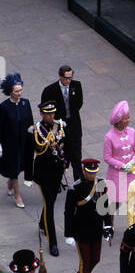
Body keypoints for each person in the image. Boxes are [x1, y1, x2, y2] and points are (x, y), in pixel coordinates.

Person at [64, 158, 114, 273]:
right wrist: (69, 234)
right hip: (81, 231)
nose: (93, 176)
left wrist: (108, 226)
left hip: (96, 229)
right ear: (84, 171)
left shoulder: (101, 184)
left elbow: (105, 206)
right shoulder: (75, 188)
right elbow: (69, 213)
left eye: (95, 173)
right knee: (85, 263)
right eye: (89, 172)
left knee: (96, 259)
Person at [27, 101, 66, 257]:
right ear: (42, 114)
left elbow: (65, 146)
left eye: (53, 113)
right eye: (48, 114)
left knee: (51, 201)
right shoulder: (34, 131)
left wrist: (66, 161)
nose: (52, 116)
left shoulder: (61, 127)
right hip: (43, 174)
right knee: (49, 206)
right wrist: (28, 176)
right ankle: (53, 243)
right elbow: (28, 155)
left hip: (57, 172)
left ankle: (42, 223)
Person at [41, 65, 83, 181]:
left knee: (76, 157)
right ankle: (56, 180)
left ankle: (78, 182)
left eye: (70, 77)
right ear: (60, 76)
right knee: (59, 155)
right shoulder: (50, 90)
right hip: (58, 126)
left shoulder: (76, 86)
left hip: (74, 126)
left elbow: (79, 103)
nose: (68, 80)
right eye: (66, 78)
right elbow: (45, 109)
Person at [103, 100, 135, 224]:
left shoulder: (132, 132)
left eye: (128, 117)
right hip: (117, 175)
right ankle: (109, 225)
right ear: (118, 121)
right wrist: (122, 165)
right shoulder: (109, 137)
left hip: (132, 172)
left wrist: (132, 162)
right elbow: (107, 157)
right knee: (116, 202)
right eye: (126, 118)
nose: (129, 120)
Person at [0, 73, 33, 208]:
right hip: (10, 145)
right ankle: (17, 195)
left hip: (24, 142)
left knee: (20, 167)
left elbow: (30, 123)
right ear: (10, 92)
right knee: (14, 168)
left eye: (21, 90)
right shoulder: (4, 107)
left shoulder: (26, 103)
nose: (19, 93)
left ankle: (10, 183)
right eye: (16, 91)